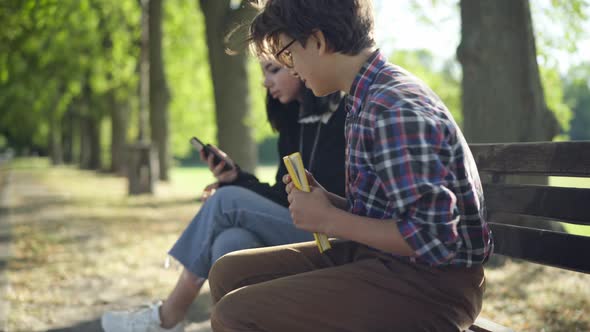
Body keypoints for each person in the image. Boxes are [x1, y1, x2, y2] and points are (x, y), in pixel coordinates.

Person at [207, 1, 495, 331]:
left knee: (236, 314)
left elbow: (435, 236)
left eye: (287, 54)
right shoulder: (364, 96)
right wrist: (331, 202)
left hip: (432, 287)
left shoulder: (392, 107)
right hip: (384, 261)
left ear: (317, 41)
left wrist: (330, 220)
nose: (291, 67)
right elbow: (392, 214)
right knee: (229, 272)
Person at [100, 59, 346, 332]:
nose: (266, 82)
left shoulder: (344, 115)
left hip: (333, 237)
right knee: (231, 241)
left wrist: (234, 190)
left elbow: (334, 197)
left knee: (224, 201)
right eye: (264, 72)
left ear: (301, 60)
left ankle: (166, 318)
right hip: (300, 228)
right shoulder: (293, 121)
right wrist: (237, 178)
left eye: (274, 70)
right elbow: (282, 194)